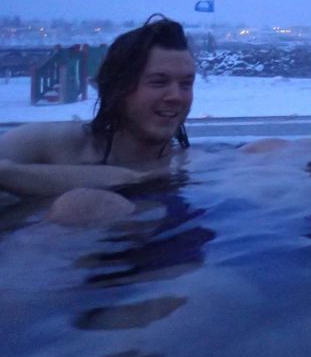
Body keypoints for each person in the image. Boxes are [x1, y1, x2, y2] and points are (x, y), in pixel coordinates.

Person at [0, 15, 194, 223]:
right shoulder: (46, 143)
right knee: (84, 205)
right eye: (158, 82)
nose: (177, 96)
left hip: (166, 250)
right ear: (115, 88)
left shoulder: (191, 163)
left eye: (186, 84)